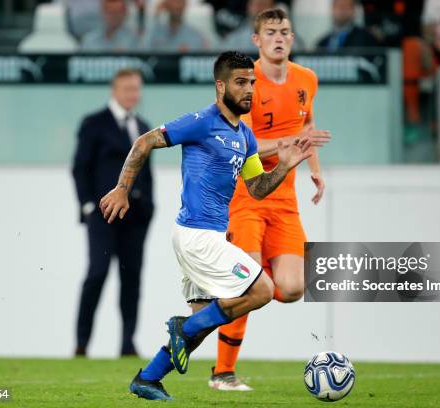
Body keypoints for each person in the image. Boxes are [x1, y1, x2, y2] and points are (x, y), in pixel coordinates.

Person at [99, 51, 313, 401]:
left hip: (204, 237)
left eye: (252, 83)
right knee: (260, 290)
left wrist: (285, 166)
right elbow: (145, 141)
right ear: (221, 85)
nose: (249, 90)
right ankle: (184, 328)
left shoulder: (246, 136)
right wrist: (123, 188)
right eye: (241, 82)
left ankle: (148, 378)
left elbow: (257, 188)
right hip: (196, 235)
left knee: (204, 321)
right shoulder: (201, 121)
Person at [211, 8, 331, 391]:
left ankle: (233, 296)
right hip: (247, 196)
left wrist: (314, 168)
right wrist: (286, 144)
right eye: (271, 32)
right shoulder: (245, 81)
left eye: (284, 32)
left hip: (285, 199)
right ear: (256, 40)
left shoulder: (306, 79)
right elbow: (244, 146)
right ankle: (222, 373)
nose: (279, 37)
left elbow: (306, 126)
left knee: (292, 289)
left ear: (292, 39)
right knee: (248, 283)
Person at [72, 69, 154, 357]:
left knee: (132, 279)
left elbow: (146, 174)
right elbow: (80, 167)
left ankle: (127, 343)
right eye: (127, 88)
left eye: (137, 89)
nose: (133, 94)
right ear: (114, 90)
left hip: (136, 218)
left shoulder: (143, 126)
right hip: (103, 216)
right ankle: (82, 343)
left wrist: (149, 207)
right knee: (97, 274)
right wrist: (88, 205)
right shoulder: (94, 124)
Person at [142, 0, 209, 52]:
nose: (176, 6)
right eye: (173, 1)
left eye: (179, 1)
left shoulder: (195, 35)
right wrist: (156, 16)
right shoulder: (157, 30)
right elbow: (143, 50)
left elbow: (198, 59)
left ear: (185, 5)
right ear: (166, 5)